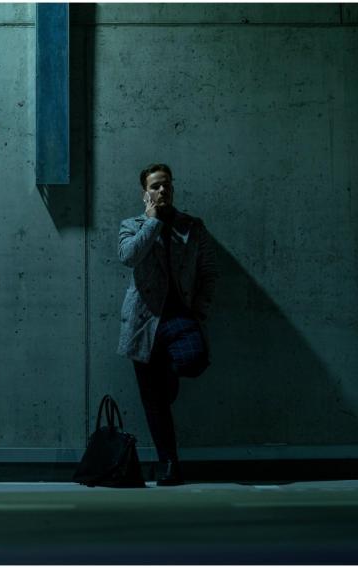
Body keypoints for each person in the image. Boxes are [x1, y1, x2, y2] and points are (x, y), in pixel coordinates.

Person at [117, 163, 218, 486]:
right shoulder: (132, 225)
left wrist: (199, 311)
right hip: (143, 321)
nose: (163, 190)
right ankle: (169, 464)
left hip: (179, 317)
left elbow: (209, 271)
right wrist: (151, 222)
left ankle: (169, 378)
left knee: (194, 360)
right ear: (145, 193)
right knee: (153, 401)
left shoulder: (192, 226)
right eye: (156, 186)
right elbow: (128, 257)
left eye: (167, 184)